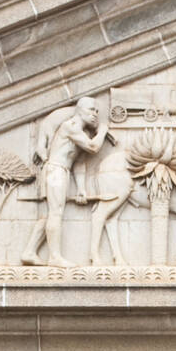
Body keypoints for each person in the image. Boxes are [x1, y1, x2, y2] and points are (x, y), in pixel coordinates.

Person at [22, 97, 109, 267]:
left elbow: (78, 163)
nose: (95, 114)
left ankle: (29, 251)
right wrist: (103, 130)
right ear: (80, 110)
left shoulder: (81, 133)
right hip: (56, 170)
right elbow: (93, 147)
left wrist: (82, 189)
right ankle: (54, 257)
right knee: (56, 212)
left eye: (97, 111)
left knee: (49, 214)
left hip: (63, 171)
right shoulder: (70, 127)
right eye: (91, 110)